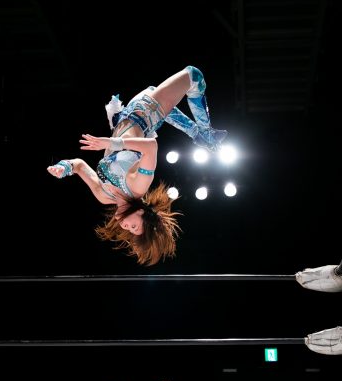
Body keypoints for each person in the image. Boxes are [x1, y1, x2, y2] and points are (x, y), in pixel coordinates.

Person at [47, 66, 228, 266]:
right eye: (134, 227)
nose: (126, 227)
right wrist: (111, 143)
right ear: (141, 213)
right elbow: (151, 147)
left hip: (126, 116)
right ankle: (205, 133)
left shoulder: (103, 196)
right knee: (194, 76)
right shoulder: (137, 187)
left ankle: (198, 134)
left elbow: (80, 166)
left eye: (129, 230)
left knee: (168, 88)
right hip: (146, 112)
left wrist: (64, 168)